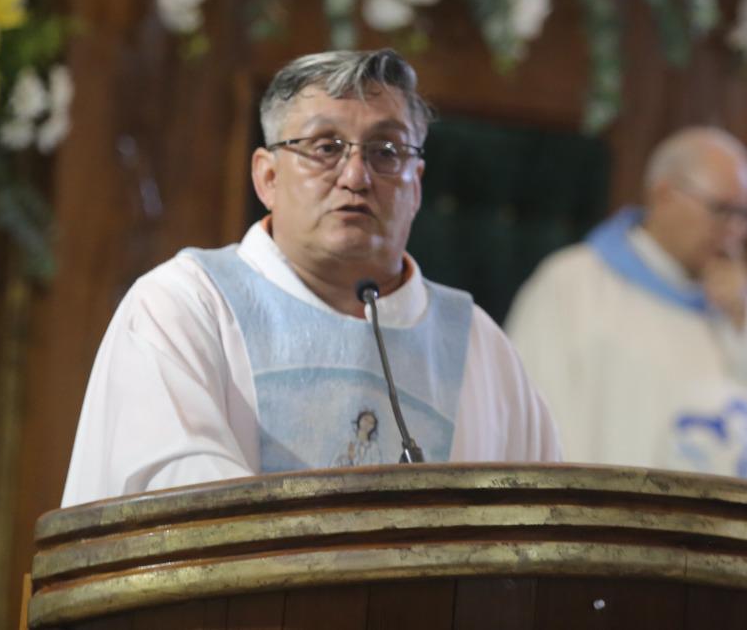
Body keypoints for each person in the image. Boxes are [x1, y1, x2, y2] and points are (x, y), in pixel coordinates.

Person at [62, 49, 561, 505]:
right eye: (325, 147)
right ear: (268, 177)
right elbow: (177, 510)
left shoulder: (477, 345)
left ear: (417, 186)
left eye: (386, 151)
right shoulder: (185, 307)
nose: (356, 176)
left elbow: (543, 530)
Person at [505, 127, 747, 492]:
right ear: (663, 195)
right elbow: (531, 430)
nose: (735, 230)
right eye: (722, 210)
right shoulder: (573, 286)